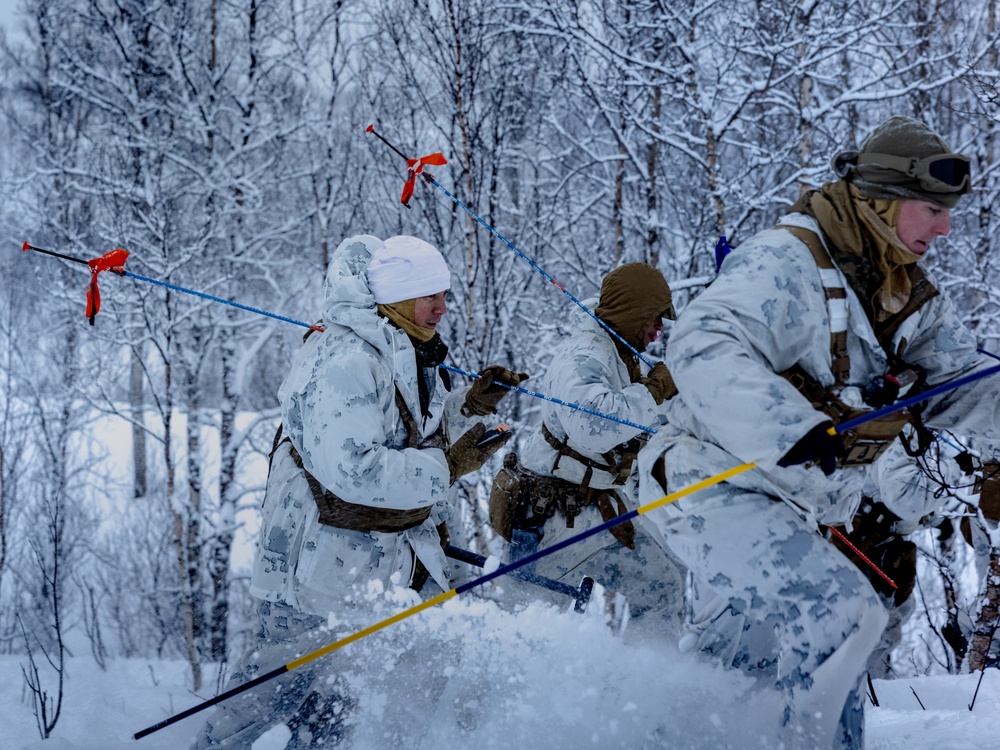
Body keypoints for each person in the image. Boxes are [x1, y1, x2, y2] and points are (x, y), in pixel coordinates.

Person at [637, 115, 1000, 748]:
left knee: (733, 683)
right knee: (841, 614)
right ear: (883, 202)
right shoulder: (788, 262)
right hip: (708, 487)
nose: (944, 227)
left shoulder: (902, 294)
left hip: (793, 511)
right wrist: (792, 428)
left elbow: (963, 384)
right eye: (930, 210)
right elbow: (699, 344)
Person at [192, 234, 525, 749]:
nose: (442, 306)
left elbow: (407, 431)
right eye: (428, 294)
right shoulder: (347, 359)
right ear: (393, 295)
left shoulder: (403, 347)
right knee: (262, 703)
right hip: (312, 575)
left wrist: (472, 404)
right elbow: (356, 469)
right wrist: (449, 466)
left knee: (334, 710)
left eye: (444, 293)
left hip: (361, 571)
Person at [489, 262, 686, 631]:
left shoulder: (618, 352)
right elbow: (595, 426)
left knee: (661, 588)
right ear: (634, 313)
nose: (660, 330)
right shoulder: (584, 356)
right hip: (553, 524)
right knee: (525, 629)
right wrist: (654, 392)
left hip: (597, 513)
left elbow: (643, 417)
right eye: (655, 319)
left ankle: (656, 684)